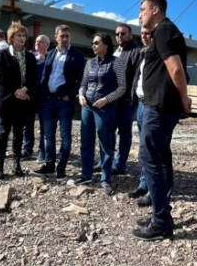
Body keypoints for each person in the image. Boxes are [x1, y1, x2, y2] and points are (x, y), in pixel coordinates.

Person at [132, 0, 191, 241]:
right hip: (158, 105)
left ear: (156, 10)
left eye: (143, 9)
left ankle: (161, 221)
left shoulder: (164, 30)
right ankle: (161, 211)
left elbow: (175, 68)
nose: (140, 14)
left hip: (160, 106)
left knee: (149, 159)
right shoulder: (163, 32)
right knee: (161, 156)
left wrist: (184, 98)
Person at [78, 33, 126, 195]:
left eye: (96, 43)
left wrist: (106, 99)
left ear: (106, 44)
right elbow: (83, 83)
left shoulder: (116, 62)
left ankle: (105, 179)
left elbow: (122, 87)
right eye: (92, 43)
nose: (93, 45)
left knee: (106, 144)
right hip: (87, 107)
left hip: (105, 108)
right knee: (86, 141)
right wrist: (81, 95)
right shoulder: (89, 63)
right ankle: (86, 174)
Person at [36, 25, 86, 179]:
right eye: (62, 36)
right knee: (48, 135)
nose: (64, 39)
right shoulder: (50, 54)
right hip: (49, 100)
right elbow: (45, 77)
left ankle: (61, 168)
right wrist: (42, 96)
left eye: (67, 36)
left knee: (65, 136)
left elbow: (82, 80)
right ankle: (49, 165)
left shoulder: (77, 55)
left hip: (65, 102)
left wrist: (70, 95)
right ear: (56, 37)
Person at [0, 22, 38, 180]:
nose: (22, 38)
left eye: (24, 35)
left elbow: (33, 78)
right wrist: (15, 91)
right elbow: (1, 77)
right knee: (4, 132)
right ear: (11, 38)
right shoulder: (3, 54)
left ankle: (16, 163)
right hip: (7, 99)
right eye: (18, 35)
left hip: (23, 101)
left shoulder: (30, 57)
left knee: (19, 133)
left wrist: (25, 90)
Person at [106, 24, 140, 175]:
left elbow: (136, 77)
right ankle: (108, 161)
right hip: (113, 100)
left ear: (130, 35)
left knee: (124, 133)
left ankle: (120, 164)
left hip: (125, 101)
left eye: (123, 33)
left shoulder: (135, 52)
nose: (120, 36)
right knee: (109, 131)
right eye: (117, 34)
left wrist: (130, 97)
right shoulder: (115, 51)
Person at [128, 25, 152, 204]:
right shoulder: (143, 54)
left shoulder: (161, 54)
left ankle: (153, 188)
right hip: (141, 105)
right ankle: (144, 184)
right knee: (143, 148)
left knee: (152, 149)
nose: (144, 36)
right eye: (142, 33)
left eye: (148, 33)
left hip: (152, 106)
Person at [22, 34, 50, 161]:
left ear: (47, 45)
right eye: (37, 41)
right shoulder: (29, 56)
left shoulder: (51, 58)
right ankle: (27, 149)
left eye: (42, 42)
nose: (38, 43)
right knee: (27, 123)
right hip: (30, 95)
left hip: (44, 96)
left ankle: (42, 151)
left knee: (45, 125)